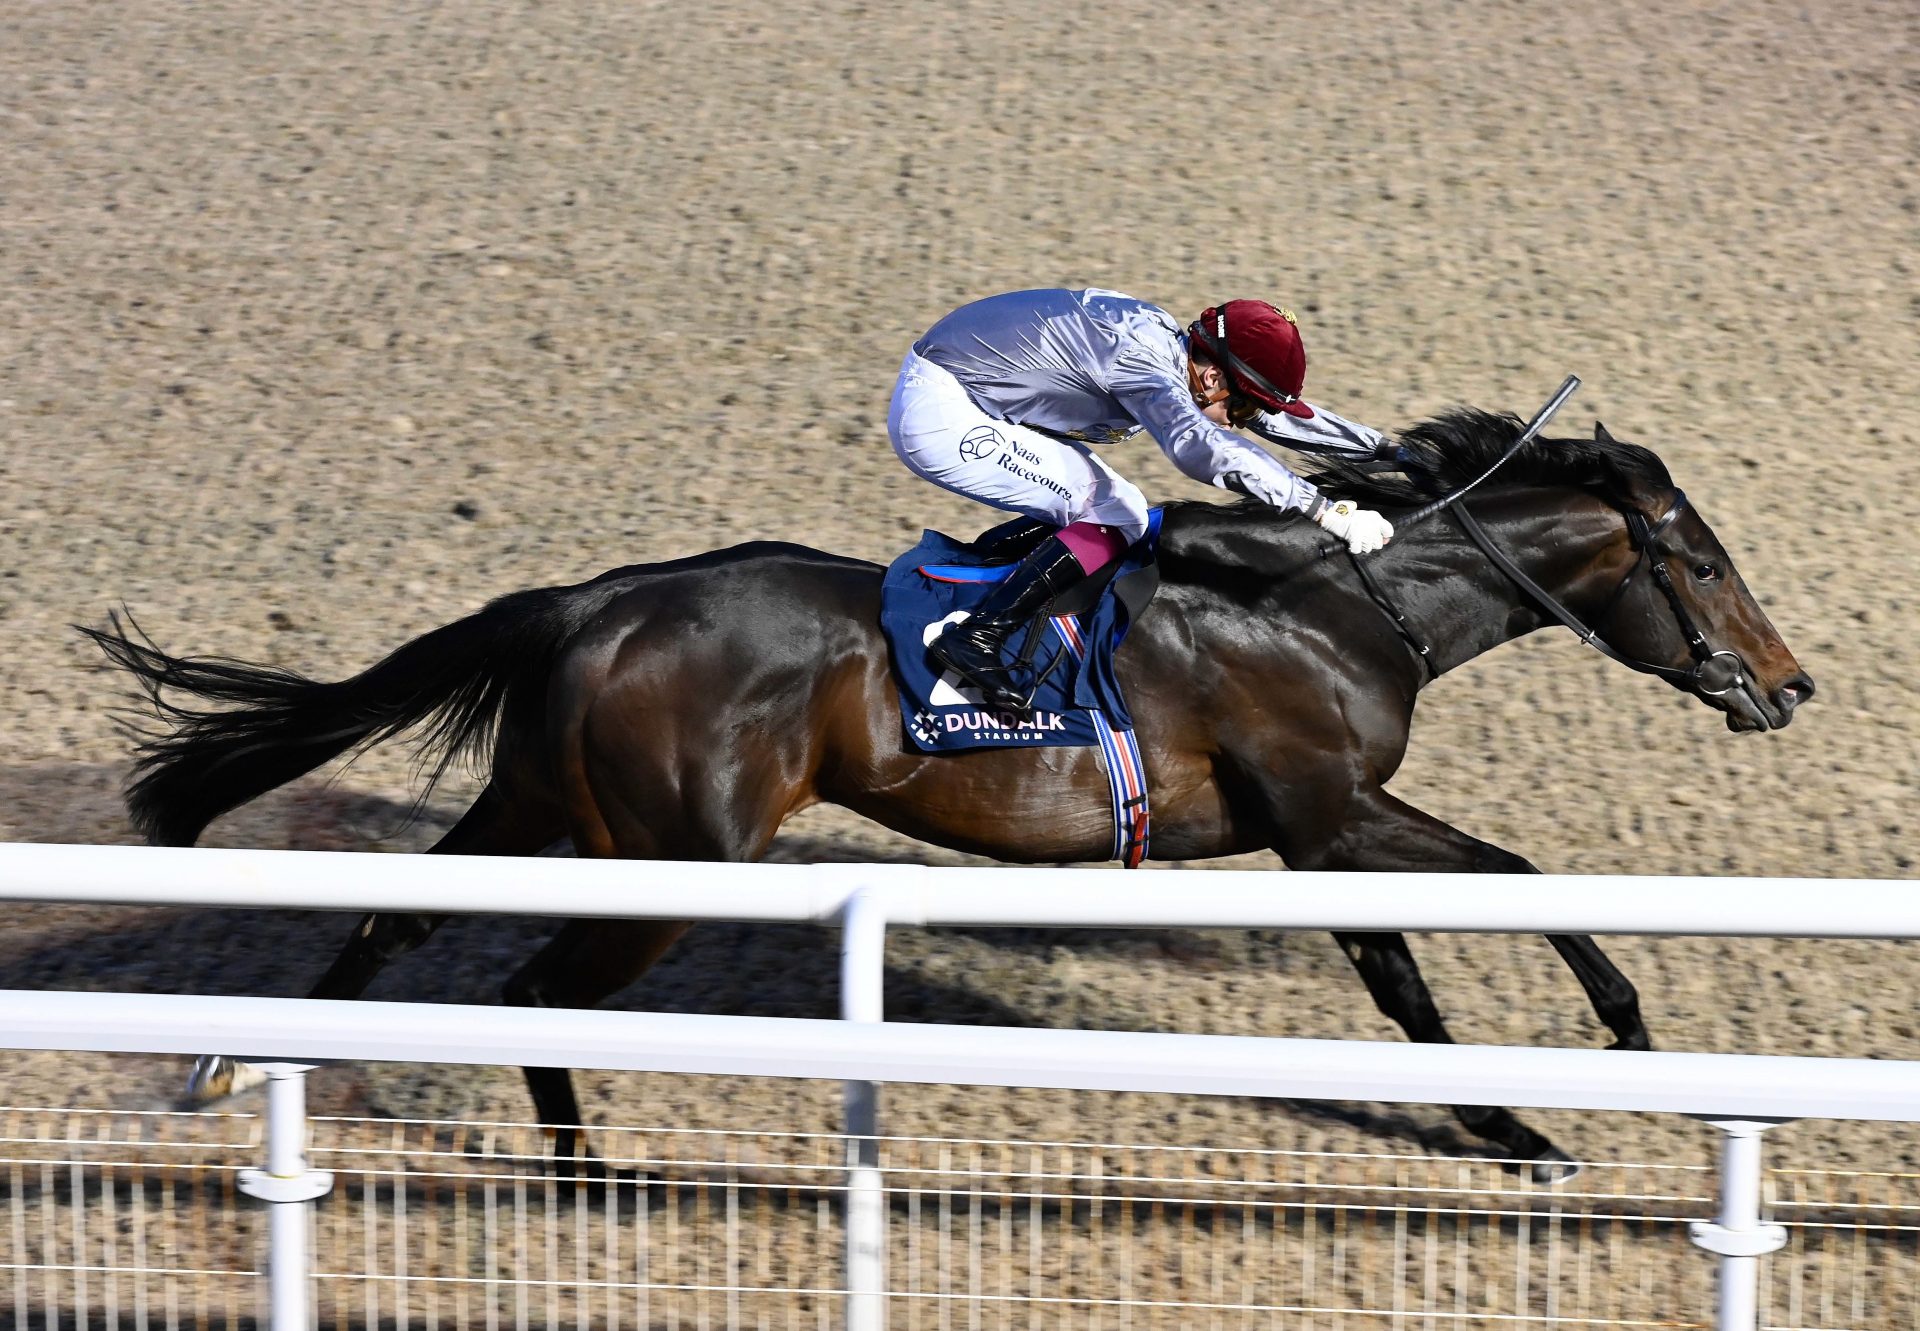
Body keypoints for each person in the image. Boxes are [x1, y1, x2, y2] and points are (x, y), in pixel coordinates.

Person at [888, 287, 1397, 707]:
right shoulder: (1143, 362)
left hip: (976, 393)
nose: (1246, 421)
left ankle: (1010, 584)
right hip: (944, 414)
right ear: (1215, 378)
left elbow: (1275, 418)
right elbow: (1202, 448)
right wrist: (1325, 512)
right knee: (1114, 513)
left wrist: (1391, 452)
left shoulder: (1183, 358)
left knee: (1112, 508)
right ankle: (977, 637)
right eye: (1242, 408)